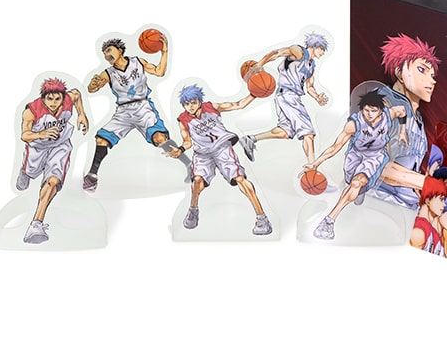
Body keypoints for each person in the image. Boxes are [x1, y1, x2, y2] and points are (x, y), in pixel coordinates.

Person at [167, 84, 272, 235]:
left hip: (222, 148)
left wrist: (255, 93)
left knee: (240, 179)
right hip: (202, 154)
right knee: (197, 181)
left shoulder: (212, 107)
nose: (190, 106)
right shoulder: (183, 119)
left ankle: (262, 218)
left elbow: (238, 105)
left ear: (200, 101)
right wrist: (180, 149)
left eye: (193, 102)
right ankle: (193, 210)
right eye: (187, 104)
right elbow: (187, 142)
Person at [82, 35, 182, 192]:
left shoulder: (137, 62)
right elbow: (92, 88)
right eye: (104, 53)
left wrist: (164, 52)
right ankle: (92, 176)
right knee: (101, 139)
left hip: (143, 106)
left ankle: (189, 164)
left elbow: (159, 71)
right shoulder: (108, 73)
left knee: (160, 138)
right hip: (123, 111)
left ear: (120, 50)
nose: (106, 55)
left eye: (109, 50)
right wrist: (93, 85)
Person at [309, 89, 407, 241]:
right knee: (352, 182)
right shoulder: (353, 124)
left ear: (381, 110)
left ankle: (329, 221)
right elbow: (336, 146)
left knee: (357, 182)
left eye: (373, 111)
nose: (369, 114)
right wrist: (316, 163)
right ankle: (359, 191)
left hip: (375, 156)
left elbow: (402, 110)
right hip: (355, 155)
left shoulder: (389, 114)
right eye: (366, 110)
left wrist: (402, 131)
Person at [369, 34, 442, 209]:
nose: (432, 80)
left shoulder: (418, 119)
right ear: (399, 72)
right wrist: (427, 183)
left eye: (433, 75)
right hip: (379, 202)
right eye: (422, 70)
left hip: (408, 206)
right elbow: (377, 165)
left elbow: (408, 173)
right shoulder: (383, 103)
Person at [16, 78, 89, 244]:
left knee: (53, 182)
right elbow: (24, 135)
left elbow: (77, 94)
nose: (54, 103)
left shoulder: (69, 98)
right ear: (43, 98)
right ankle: (25, 172)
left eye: (57, 99)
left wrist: (82, 115)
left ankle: (36, 224)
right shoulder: (31, 111)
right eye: (49, 99)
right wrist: (41, 134)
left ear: (63, 97)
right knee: (31, 171)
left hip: (60, 145)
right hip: (38, 146)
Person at [240, 33, 329, 164]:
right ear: (314, 46)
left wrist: (317, 97)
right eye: (322, 49)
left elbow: (309, 86)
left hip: (285, 97)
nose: (323, 52)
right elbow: (277, 53)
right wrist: (260, 64)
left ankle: (251, 139)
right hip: (289, 95)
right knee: (308, 133)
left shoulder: (311, 66)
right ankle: (312, 167)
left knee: (285, 132)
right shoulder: (299, 52)